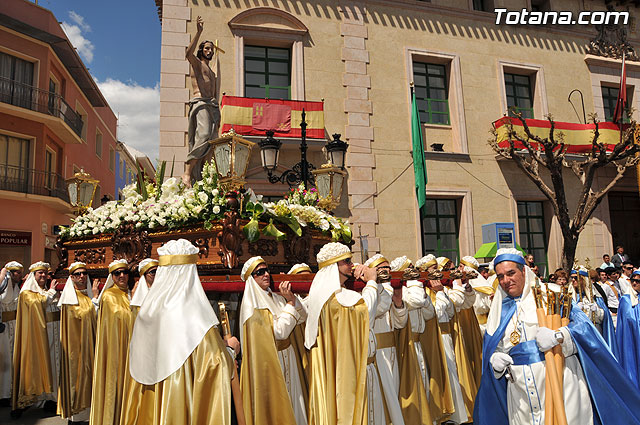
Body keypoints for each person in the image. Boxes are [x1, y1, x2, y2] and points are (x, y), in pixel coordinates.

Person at [475, 248, 640, 425]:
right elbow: (495, 345)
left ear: (524, 270)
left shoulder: (552, 294)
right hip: (520, 396)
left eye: (511, 273)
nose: (506, 281)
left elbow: (585, 328)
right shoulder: (498, 308)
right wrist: (495, 358)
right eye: (500, 277)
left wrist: (560, 336)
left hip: (561, 384)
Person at [124, 239, 238, 425]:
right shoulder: (194, 313)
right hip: (179, 398)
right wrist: (231, 350)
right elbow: (214, 364)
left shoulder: (148, 309)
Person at [305, 242, 378, 425]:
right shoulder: (337, 299)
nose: (352, 265)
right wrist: (371, 281)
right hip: (342, 366)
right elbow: (365, 312)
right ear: (333, 267)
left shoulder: (325, 294)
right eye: (346, 261)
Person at [238, 256, 308, 425]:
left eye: (267, 270)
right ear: (251, 278)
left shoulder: (276, 298)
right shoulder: (252, 308)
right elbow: (280, 332)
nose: (266, 274)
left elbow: (303, 317)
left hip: (289, 359)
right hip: (272, 365)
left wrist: (292, 299)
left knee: (296, 405)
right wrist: (291, 304)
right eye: (260, 272)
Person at [394, 255, 452, 424]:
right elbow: (417, 300)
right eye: (409, 269)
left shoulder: (415, 290)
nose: (413, 272)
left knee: (425, 385)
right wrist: (416, 283)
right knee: (411, 390)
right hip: (406, 346)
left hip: (419, 344)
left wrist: (431, 297)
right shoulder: (404, 291)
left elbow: (429, 314)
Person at [11, 261, 60, 418]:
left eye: (45, 273)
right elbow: (39, 304)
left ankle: (50, 399)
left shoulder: (44, 291)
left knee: (53, 366)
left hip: (53, 334)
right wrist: (52, 292)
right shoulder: (27, 294)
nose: (44, 275)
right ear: (33, 275)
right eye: (40, 273)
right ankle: (29, 400)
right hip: (37, 337)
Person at [362, 254, 406, 425]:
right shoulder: (369, 291)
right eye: (382, 269)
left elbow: (400, 322)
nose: (387, 272)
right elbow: (378, 309)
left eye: (388, 269)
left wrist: (399, 301)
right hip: (378, 353)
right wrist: (374, 284)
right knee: (382, 396)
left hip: (392, 350)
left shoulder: (388, 290)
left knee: (394, 393)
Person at [90, 259, 133, 425]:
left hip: (131, 346)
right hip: (116, 348)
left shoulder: (129, 292)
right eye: (117, 273)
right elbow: (122, 318)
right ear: (112, 277)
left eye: (125, 272)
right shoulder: (108, 296)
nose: (122, 276)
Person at [57, 262, 98, 424]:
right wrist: (95, 300)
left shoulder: (85, 295)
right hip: (76, 349)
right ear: (72, 277)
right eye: (78, 274)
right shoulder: (69, 299)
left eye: (84, 273)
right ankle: (76, 415)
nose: (82, 276)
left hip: (89, 345)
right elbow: (82, 316)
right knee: (77, 379)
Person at [182, 15, 221, 186]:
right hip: (200, 103)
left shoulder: (212, 72)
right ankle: (187, 172)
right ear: (201, 50)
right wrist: (198, 32)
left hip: (211, 106)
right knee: (203, 135)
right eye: (206, 48)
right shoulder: (197, 64)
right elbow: (187, 53)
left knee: (212, 142)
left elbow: (214, 92)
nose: (209, 51)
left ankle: (204, 178)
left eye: (211, 49)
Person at [0, 261, 22, 405]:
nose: (19, 276)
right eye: (17, 273)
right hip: (3, 330)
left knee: (13, 359)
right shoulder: (3, 287)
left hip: (14, 326)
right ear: (11, 274)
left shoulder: (17, 288)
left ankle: (10, 391)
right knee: (4, 362)